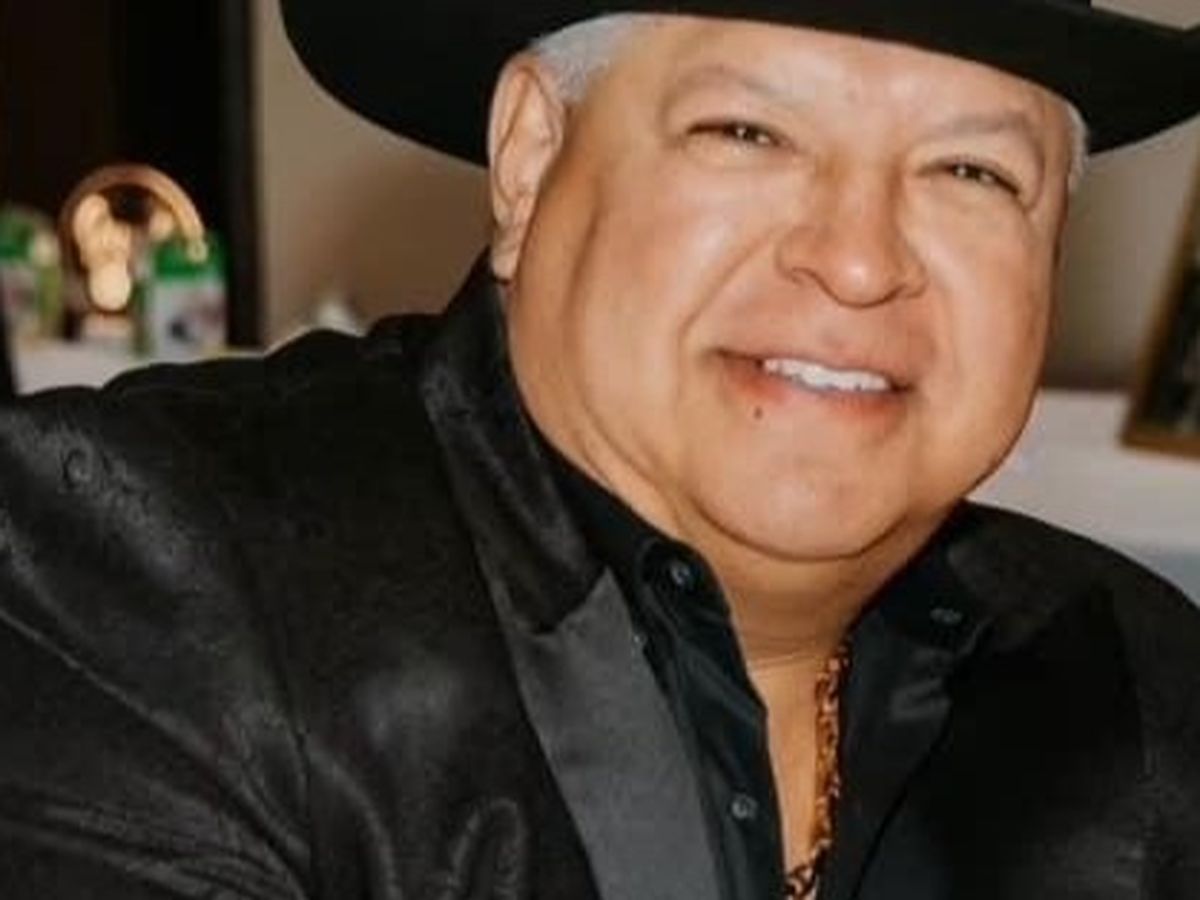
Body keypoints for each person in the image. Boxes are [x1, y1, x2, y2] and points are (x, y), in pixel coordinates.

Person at [1, 1, 1198, 897]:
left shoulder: (1143, 688)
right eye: (750, 131)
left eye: (972, 171)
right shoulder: (156, 586)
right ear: (530, 159)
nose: (858, 259)